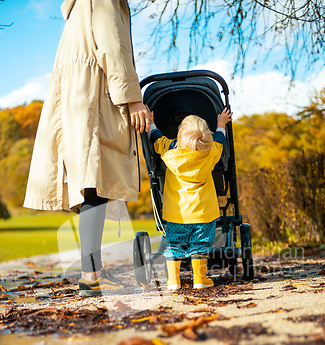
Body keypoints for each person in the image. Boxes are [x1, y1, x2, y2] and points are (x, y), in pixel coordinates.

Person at [23, 0, 150, 296]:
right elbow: (113, 47)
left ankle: (91, 271)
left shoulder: (76, 7)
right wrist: (132, 98)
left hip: (73, 94)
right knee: (95, 178)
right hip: (94, 90)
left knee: (88, 180)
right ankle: (91, 275)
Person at [148, 108, 232, 290]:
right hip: (204, 214)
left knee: (174, 245)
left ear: (179, 137)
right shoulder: (211, 152)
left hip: (177, 213)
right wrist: (221, 125)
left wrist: (151, 123)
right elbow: (220, 140)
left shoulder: (170, 151)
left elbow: (156, 137)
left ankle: (173, 281)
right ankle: (200, 279)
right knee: (200, 245)